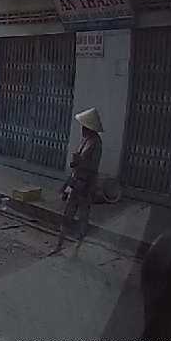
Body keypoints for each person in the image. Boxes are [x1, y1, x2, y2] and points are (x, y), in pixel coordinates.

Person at [52, 108, 103, 252]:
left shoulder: (96, 143)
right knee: (68, 213)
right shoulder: (85, 140)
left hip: (86, 184)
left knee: (82, 216)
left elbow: (93, 166)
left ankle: (77, 248)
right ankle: (60, 245)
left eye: (83, 126)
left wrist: (79, 162)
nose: (82, 129)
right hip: (77, 182)